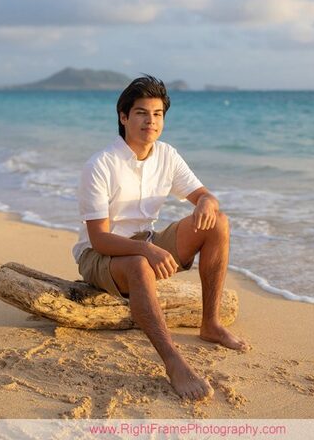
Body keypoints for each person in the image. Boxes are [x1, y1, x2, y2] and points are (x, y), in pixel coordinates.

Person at [72, 75, 249, 400]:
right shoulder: (100, 165)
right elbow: (99, 239)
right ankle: (173, 362)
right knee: (139, 263)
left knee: (218, 223)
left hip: (146, 241)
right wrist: (147, 251)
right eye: (140, 112)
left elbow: (203, 195)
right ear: (123, 117)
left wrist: (208, 202)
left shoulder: (167, 155)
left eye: (157, 114)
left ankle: (210, 324)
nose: (149, 121)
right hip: (99, 257)